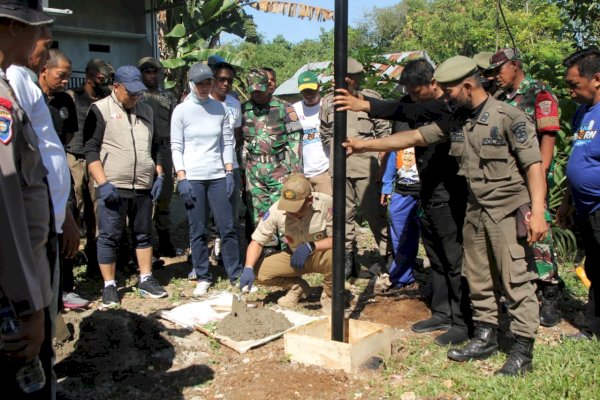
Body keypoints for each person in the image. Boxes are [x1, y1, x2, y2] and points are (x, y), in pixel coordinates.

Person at [343, 56, 548, 376]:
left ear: (467, 86)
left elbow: (533, 166)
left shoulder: (509, 116)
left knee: (514, 280)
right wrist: (364, 145)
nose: (443, 94)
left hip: (506, 210)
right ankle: (485, 335)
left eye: (448, 89)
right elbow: (413, 137)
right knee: (478, 279)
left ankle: (522, 350)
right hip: (474, 209)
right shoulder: (457, 119)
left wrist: (538, 211)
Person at [333, 58, 471, 345]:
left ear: (434, 83)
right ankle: (442, 311)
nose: (413, 97)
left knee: (454, 258)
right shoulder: (418, 102)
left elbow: (410, 129)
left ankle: (463, 320)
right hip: (425, 191)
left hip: (450, 193)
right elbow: (401, 112)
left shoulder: (450, 106)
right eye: (409, 91)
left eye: (417, 91)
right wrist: (361, 106)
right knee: (436, 257)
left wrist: (366, 115)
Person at [0, 2, 55, 397]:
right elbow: (6, 210)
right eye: (33, 28)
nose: (42, 39)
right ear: (7, 27)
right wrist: (28, 303)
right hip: (11, 288)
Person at [84, 65, 168, 308]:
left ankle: (146, 278)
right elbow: (90, 150)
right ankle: (109, 285)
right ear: (116, 86)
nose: (135, 96)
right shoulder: (99, 109)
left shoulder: (146, 110)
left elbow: (155, 146)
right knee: (110, 236)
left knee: (144, 233)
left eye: (138, 92)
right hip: (113, 184)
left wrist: (159, 173)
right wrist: (103, 182)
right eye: (130, 92)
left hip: (142, 184)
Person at [490, 48, 563, 327]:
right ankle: (526, 289)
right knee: (519, 236)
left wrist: (540, 177)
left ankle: (552, 291)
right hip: (510, 178)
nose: (497, 77)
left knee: (539, 233)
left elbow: (548, 136)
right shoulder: (501, 97)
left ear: (516, 65)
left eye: (501, 70)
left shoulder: (538, 93)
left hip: (533, 176)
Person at [171, 63, 243, 296]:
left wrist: (229, 170)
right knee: (198, 228)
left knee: (227, 226)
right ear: (191, 84)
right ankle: (202, 274)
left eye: (207, 83)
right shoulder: (182, 111)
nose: (204, 87)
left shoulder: (219, 109)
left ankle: (236, 273)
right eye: (199, 83)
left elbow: (227, 142)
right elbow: (176, 146)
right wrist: (181, 176)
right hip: (193, 176)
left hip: (218, 176)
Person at [320, 57, 391, 279]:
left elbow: (385, 136)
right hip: (339, 170)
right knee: (342, 216)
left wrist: (382, 166)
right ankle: (347, 262)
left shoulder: (370, 99)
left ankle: (389, 257)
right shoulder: (328, 102)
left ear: (351, 79)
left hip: (367, 171)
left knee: (375, 215)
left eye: (341, 77)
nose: (335, 81)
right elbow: (325, 134)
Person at [39, 48, 90, 309]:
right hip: (34, 178)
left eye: (69, 76)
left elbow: (68, 137)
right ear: (44, 71)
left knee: (67, 228)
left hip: (60, 175)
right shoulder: (31, 99)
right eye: (61, 75)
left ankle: (66, 289)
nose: (66, 81)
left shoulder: (65, 102)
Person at [239, 173, 333, 313]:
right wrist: (248, 268)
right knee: (258, 271)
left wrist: (312, 246)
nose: (291, 211)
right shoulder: (277, 210)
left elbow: (338, 238)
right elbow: (257, 241)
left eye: (296, 207)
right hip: (294, 257)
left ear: (309, 200)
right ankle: (296, 287)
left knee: (336, 256)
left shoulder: (327, 203)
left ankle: (330, 295)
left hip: (320, 254)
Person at [557, 46, 600, 340]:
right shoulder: (584, 114)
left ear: (597, 78)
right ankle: (593, 327)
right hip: (585, 206)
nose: (570, 92)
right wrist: (567, 201)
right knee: (595, 266)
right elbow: (579, 155)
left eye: (575, 85)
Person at [66, 58, 115, 278]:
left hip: (96, 158)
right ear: (89, 76)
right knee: (74, 208)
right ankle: (70, 258)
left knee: (97, 211)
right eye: (102, 78)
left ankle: (96, 261)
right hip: (74, 157)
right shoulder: (72, 97)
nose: (106, 82)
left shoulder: (107, 99)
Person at [241, 68, 303, 230]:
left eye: (259, 91)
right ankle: (266, 251)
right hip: (254, 171)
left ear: (268, 86)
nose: (256, 95)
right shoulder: (243, 110)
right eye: (253, 91)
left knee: (283, 213)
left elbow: (295, 141)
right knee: (259, 216)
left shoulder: (285, 108)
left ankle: (285, 251)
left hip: (280, 169)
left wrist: (296, 173)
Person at [137, 56, 178, 257]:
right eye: (147, 72)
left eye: (155, 72)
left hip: (165, 148)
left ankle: (165, 240)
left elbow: (176, 124)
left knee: (165, 196)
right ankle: (145, 245)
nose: (152, 76)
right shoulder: (136, 95)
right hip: (142, 149)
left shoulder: (168, 97)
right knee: (143, 198)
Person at [209, 61, 245, 260]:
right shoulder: (201, 101)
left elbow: (237, 135)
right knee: (207, 212)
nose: (225, 84)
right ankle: (201, 253)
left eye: (229, 80)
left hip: (232, 166)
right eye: (221, 79)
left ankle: (225, 252)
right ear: (213, 79)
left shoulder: (234, 103)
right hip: (207, 165)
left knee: (230, 213)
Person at [381, 146, 419, 289]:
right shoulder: (401, 128)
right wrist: (386, 185)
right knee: (400, 235)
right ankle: (402, 279)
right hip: (402, 192)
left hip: (428, 191)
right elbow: (392, 156)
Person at [292, 71, 331, 195]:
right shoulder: (295, 110)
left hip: (324, 171)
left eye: (312, 90)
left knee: (327, 210)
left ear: (319, 87)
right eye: (305, 91)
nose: (309, 95)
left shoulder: (327, 106)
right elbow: (293, 138)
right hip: (302, 173)